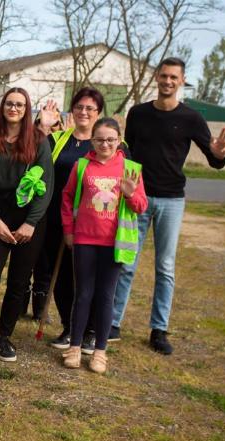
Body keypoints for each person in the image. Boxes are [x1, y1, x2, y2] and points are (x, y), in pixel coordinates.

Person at [111, 57, 225, 354]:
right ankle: (113, 322)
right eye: (163, 76)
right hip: (137, 198)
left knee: (165, 267)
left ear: (182, 80)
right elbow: (128, 153)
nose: (167, 81)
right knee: (126, 262)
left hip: (172, 199)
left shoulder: (191, 118)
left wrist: (217, 153)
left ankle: (159, 329)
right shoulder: (138, 114)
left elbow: (215, 160)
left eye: (173, 77)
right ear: (157, 78)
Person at [0, 87, 53, 363]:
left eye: (19, 104)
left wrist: (30, 223)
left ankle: (4, 336)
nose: (14, 108)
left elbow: (46, 188)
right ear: (3, 107)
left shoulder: (39, 141)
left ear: (27, 109)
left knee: (19, 281)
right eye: (9, 104)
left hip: (30, 221)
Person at [61, 117, 147, 373]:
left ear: (119, 140)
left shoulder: (130, 168)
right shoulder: (82, 165)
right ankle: (75, 347)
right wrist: (68, 231)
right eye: (100, 140)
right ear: (92, 141)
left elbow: (142, 207)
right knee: (83, 294)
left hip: (115, 243)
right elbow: (67, 198)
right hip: (85, 239)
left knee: (105, 296)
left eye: (110, 139)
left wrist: (131, 194)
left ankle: (100, 351)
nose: (105, 144)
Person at [29, 88, 109, 354]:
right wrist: (42, 126)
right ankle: (69, 326)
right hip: (56, 219)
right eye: (79, 107)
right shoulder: (58, 140)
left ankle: (90, 331)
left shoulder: (106, 143)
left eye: (90, 108)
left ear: (99, 113)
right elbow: (32, 159)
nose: (84, 112)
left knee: (89, 278)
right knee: (61, 276)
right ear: (72, 110)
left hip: (94, 223)